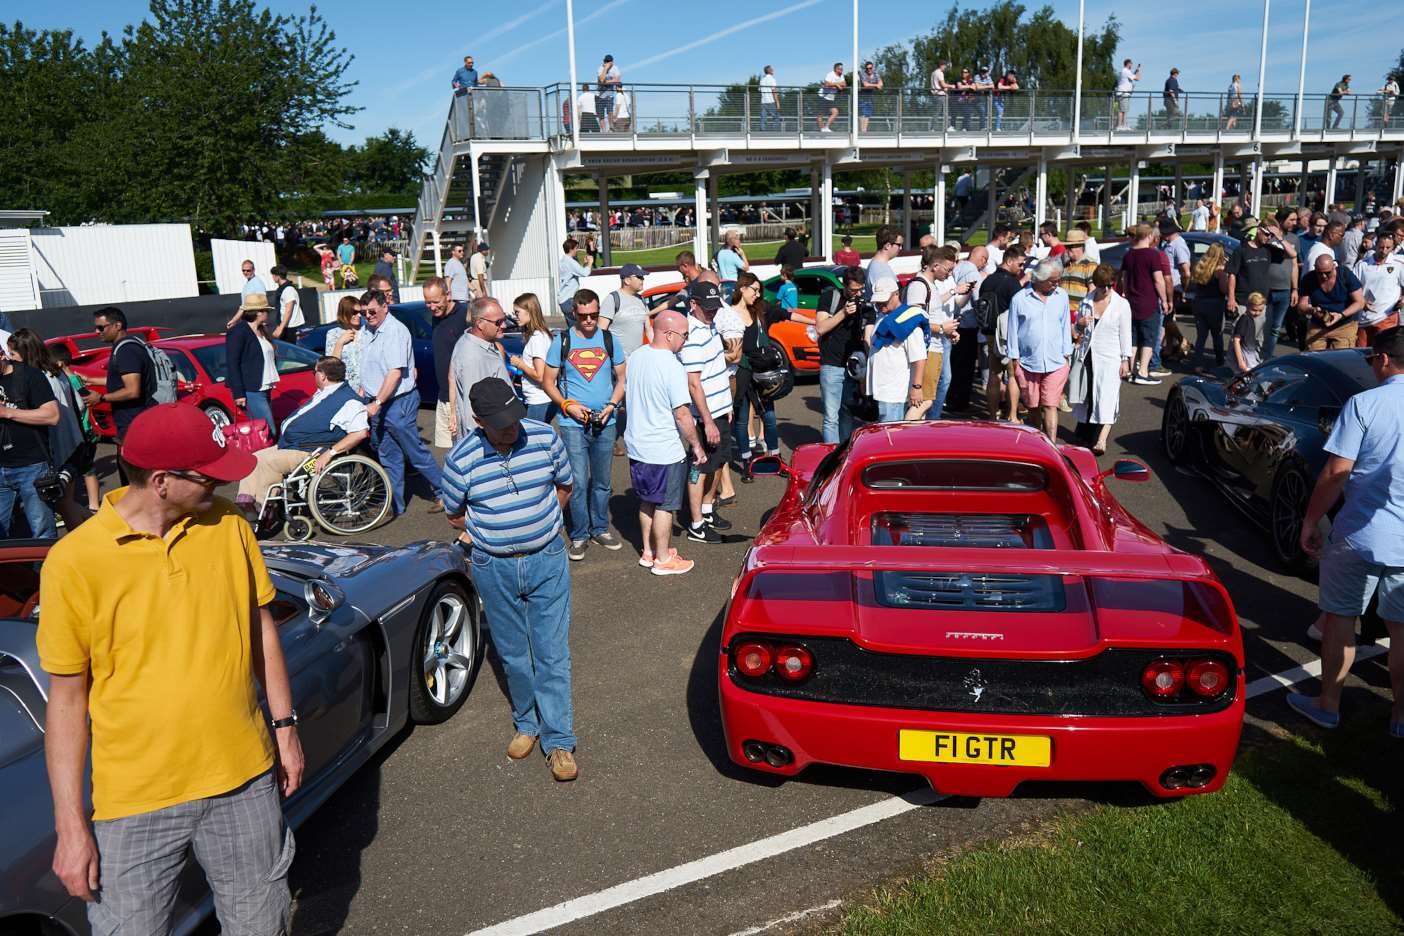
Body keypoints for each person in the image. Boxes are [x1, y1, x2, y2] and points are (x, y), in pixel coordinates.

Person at [38, 402, 302, 934]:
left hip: (243, 779)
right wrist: (70, 825)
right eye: (207, 474)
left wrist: (285, 727)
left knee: (262, 925)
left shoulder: (228, 524)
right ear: (161, 481)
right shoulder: (73, 562)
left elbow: (261, 630)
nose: (220, 484)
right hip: (135, 799)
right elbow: (66, 701)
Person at [439, 377, 579, 781]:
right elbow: (454, 513)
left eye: (514, 417)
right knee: (514, 653)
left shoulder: (543, 437)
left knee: (551, 652)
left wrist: (541, 524)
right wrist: (495, 532)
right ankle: (526, 723)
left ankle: (559, 741)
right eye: (500, 423)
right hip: (493, 565)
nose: (511, 428)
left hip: (547, 559)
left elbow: (564, 485)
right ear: (478, 420)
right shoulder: (462, 459)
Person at [1288, 326, 1404, 736]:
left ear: (1384, 360)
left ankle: (1327, 704)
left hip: (1360, 536)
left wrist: (1309, 520)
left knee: (1340, 619)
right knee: (1401, 631)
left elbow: (1336, 472)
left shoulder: (1364, 404)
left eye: (1373, 359)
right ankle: (1400, 716)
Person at [544, 289, 627, 560]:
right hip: (572, 424)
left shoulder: (609, 339)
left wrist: (612, 406)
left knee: (602, 481)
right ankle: (579, 535)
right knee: (577, 482)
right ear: (574, 314)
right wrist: (568, 406)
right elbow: (548, 382)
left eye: (594, 315)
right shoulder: (562, 341)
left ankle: (600, 528)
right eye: (584, 316)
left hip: (606, 420)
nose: (590, 320)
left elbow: (622, 380)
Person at [234, 356, 370, 516]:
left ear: (322, 376)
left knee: (267, 462)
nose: (314, 375)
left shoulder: (349, 401)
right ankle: (249, 500)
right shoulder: (326, 392)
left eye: (315, 372)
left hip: (311, 453)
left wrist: (329, 453)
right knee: (254, 458)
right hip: (294, 445)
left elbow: (360, 432)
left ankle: (259, 507)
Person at [625, 309, 706, 575]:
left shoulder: (636, 356)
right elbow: (682, 414)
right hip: (664, 448)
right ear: (668, 334)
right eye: (684, 335)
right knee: (666, 505)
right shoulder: (672, 366)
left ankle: (648, 552)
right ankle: (662, 559)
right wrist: (696, 444)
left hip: (638, 444)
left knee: (647, 500)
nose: (685, 340)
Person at [359, 288, 443, 515]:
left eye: (372, 311)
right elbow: (368, 364)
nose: (368, 316)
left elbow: (395, 373)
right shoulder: (367, 329)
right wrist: (363, 389)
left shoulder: (395, 331)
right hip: (378, 400)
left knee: (414, 452)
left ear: (385, 307)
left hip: (397, 400)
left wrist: (376, 401)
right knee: (388, 454)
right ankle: (395, 504)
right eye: (364, 312)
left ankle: (444, 493)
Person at [678, 280, 734, 543]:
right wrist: (709, 421)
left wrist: (727, 407)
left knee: (718, 461)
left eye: (715, 307)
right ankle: (696, 524)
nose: (713, 312)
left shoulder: (709, 326)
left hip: (720, 411)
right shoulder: (692, 335)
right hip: (704, 416)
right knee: (699, 468)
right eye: (707, 307)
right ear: (693, 304)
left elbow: (717, 371)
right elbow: (693, 384)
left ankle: (708, 509)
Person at [0, 332, 60, 538]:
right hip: (1, 467)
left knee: (42, 531)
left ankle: (45, 570)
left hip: (31, 466)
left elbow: (52, 416)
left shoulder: (29, 376)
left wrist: (8, 412)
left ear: (2, 355)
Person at [1068, 264, 1133, 455]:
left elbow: (1125, 334)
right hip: (1087, 355)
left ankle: (1101, 439)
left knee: (1107, 397)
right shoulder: (1087, 301)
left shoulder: (1122, 304)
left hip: (1110, 357)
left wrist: (1125, 359)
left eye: (1108, 285)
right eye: (1100, 285)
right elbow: (1076, 332)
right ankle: (1085, 433)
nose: (1104, 290)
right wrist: (1079, 325)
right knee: (1087, 396)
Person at [1007, 260, 1074, 441]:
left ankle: (1052, 446)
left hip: (1057, 361)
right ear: (1039, 279)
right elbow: (1012, 330)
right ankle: (1037, 443)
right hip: (1028, 362)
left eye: (1058, 280)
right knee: (1033, 406)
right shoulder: (1020, 299)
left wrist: (1067, 354)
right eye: (1052, 281)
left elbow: (1065, 325)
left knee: (1050, 405)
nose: (1056, 284)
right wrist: (1014, 359)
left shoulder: (1061, 296)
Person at [730, 272, 785, 469]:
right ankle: (746, 462)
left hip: (762, 373)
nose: (758, 294)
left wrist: (815, 323)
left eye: (759, 290)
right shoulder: (728, 314)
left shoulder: (759, 309)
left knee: (769, 417)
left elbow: (785, 314)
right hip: (741, 371)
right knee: (742, 419)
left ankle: (775, 459)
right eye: (755, 290)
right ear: (742, 288)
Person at [83, 307, 155, 448]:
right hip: (133, 421)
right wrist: (89, 380)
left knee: (136, 467)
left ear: (118, 326)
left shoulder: (126, 350)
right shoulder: (127, 345)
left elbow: (132, 391)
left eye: (101, 327)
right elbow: (121, 380)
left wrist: (101, 398)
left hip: (135, 423)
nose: (96, 332)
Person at [863, 277, 927, 423]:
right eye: (877, 301)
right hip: (880, 391)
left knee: (891, 438)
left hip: (894, 394)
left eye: (884, 300)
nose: (879, 304)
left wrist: (917, 387)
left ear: (896, 294)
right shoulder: (883, 316)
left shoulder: (909, 324)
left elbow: (919, 358)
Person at [816, 266, 867, 443]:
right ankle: (831, 457)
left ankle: (845, 454)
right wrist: (843, 312)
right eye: (853, 290)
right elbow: (821, 328)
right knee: (831, 417)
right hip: (832, 364)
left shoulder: (863, 300)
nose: (857, 293)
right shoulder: (830, 296)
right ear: (844, 285)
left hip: (853, 366)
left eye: (861, 289)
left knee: (847, 412)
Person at [448, 296, 511, 441]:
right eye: (498, 322)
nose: (504, 325)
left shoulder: (479, 341)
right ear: (480, 324)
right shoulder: (473, 358)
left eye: (504, 319)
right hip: (492, 439)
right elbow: (475, 413)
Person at [50, 343, 101, 512]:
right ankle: (94, 505)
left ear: (59, 363)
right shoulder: (77, 378)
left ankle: (72, 505)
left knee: (77, 471)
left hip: (82, 431)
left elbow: (80, 405)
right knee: (88, 469)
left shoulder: (67, 380)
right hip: (87, 431)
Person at [417, 277, 465, 449]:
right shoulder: (436, 317)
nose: (432, 307)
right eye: (427, 302)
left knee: (465, 449)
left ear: (448, 295)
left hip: (462, 397)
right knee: (448, 452)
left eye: (436, 301)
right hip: (443, 396)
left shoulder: (464, 315)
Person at [1118, 224, 1168, 385]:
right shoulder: (1152, 255)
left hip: (1131, 302)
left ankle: (1132, 371)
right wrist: (1165, 300)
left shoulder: (1128, 255)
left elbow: (1124, 278)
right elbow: (1158, 280)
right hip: (1148, 301)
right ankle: (1143, 371)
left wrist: (1125, 294)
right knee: (1149, 337)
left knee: (1132, 337)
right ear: (1150, 236)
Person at [224, 293, 279, 439]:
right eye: (266, 310)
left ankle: (265, 458)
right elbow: (232, 363)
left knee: (264, 432)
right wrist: (238, 393)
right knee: (268, 431)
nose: (268, 313)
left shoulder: (262, 330)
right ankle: (267, 460)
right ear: (258, 312)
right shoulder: (238, 332)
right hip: (251, 389)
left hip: (265, 387)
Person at [982, 244, 1027, 421]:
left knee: (994, 375)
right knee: (1013, 376)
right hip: (1008, 336)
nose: (1022, 268)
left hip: (990, 333)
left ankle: (993, 416)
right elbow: (1021, 310)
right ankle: (1012, 416)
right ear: (1009, 261)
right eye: (1020, 264)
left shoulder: (988, 281)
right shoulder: (1012, 283)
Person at [944, 245, 986, 413]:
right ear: (982, 259)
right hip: (967, 323)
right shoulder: (973, 273)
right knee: (965, 366)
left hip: (953, 322)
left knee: (953, 362)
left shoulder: (959, 266)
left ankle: (950, 397)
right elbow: (977, 300)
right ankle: (960, 401)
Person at [1298, 255, 1365, 350]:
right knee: (1312, 358)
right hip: (1318, 324)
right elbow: (1301, 306)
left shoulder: (1345, 274)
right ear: (1315, 268)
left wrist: (1341, 315)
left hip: (1344, 325)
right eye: (1319, 273)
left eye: (1327, 273)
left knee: (1341, 359)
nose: (1324, 276)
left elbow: (1360, 302)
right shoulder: (1309, 278)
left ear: (1334, 266)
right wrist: (1312, 310)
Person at [508, 293, 556, 423]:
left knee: (534, 440)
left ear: (529, 311)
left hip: (539, 401)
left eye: (517, 312)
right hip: (544, 399)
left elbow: (540, 376)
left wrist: (520, 364)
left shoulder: (537, 338)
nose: (515, 316)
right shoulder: (542, 334)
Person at [1352, 231, 1404, 345]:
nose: (1384, 250)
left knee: (1383, 353)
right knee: (1362, 355)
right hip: (1363, 318)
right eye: (1381, 247)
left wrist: (1403, 299)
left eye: (1388, 247)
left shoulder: (1399, 264)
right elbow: (1352, 288)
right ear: (1375, 245)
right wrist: (1361, 301)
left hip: (1387, 318)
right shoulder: (1362, 264)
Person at [1263, 209, 1302, 358]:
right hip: (1267, 289)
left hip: (1284, 291)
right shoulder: (1269, 237)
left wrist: (1295, 289)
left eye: (1295, 220)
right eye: (1291, 220)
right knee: (1262, 326)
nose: (1294, 223)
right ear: (1281, 220)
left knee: (1276, 328)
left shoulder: (1294, 239)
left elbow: (1294, 264)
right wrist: (1276, 236)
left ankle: (1268, 357)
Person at [1189, 243, 1231, 368]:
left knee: (1201, 337)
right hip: (1215, 304)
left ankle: (1198, 364)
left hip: (1199, 303)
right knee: (1217, 336)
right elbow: (1224, 290)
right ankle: (1219, 362)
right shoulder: (1220, 270)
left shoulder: (1200, 266)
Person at [325, 295, 365, 391]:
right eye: (354, 312)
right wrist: (340, 343)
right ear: (344, 313)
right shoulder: (333, 334)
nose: (359, 315)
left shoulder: (367, 330)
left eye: (360, 312)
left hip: (367, 389)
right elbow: (331, 366)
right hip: (345, 389)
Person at [557, 238, 593, 324]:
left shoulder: (564, 260)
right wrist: (590, 262)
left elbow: (577, 272)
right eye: (576, 248)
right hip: (569, 300)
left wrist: (585, 264)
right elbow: (585, 273)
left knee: (572, 329)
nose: (577, 250)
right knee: (578, 328)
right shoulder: (570, 262)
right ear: (571, 249)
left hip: (563, 299)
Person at [1060, 230, 1098, 309]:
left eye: (1070, 247)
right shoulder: (1065, 264)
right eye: (1066, 247)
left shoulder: (1090, 265)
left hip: (1079, 313)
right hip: (1063, 312)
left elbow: (1093, 291)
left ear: (1080, 246)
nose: (1067, 249)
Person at [864, 225, 903, 301]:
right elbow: (889, 306)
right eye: (899, 245)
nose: (901, 248)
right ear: (888, 246)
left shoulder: (876, 264)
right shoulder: (882, 272)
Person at [1232, 292, 1267, 372]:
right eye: (1254, 310)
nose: (1257, 313)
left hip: (1250, 354)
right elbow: (1236, 340)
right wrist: (1240, 361)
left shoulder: (1250, 318)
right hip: (1245, 357)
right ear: (1247, 306)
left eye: (1260, 310)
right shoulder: (1244, 320)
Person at [817, 63, 844, 132]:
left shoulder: (841, 76)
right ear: (836, 69)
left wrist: (834, 85)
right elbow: (826, 84)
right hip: (823, 96)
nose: (842, 70)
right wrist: (837, 84)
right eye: (840, 69)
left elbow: (844, 84)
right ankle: (822, 130)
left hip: (831, 98)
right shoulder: (830, 74)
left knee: (835, 112)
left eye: (842, 68)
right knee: (820, 115)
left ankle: (826, 127)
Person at [597, 54, 621, 132]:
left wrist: (606, 82)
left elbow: (617, 80)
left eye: (609, 62)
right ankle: (603, 130)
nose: (607, 63)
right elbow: (601, 80)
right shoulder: (601, 68)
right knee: (601, 115)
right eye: (606, 62)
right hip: (600, 95)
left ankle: (611, 127)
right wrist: (605, 68)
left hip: (609, 94)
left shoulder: (615, 68)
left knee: (610, 112)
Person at [1115, 59, 1141, 130]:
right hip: (1124, 93)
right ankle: (1121, 126)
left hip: (1122, 93)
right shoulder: (1126, 71)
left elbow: (1131, 77)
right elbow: (1138, 78)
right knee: (1123, 110)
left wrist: (1135, 71)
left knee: (1123, 110)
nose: (1132, 65)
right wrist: (1138, 70)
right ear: (1128, 64)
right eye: (1131, 64)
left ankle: (1122, 125)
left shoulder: (1124, 72)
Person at [858, 61, 882, 133]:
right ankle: (861, 130)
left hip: (870, 96)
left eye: (870, 68)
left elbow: (881, 83)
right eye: (867, 68)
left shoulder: (876, 74)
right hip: (861, 96)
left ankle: (864, 130)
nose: (869, 70)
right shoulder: (862, 74)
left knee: (867, 114)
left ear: (873, 68)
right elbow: (865, 84)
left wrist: (876, 85)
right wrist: (876, 85)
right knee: (862, 113)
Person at [758, 65, 781, 132]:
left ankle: (762, 130)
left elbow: (760, 90)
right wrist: (777, 102)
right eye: (772, 69)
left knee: (763, 117)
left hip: (763, 101)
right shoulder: (772, 79)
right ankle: (775, 131)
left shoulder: (762, 80)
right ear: (770, 71)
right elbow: (774, 91)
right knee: (776, 116)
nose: (773, 70)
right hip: (771, 101)